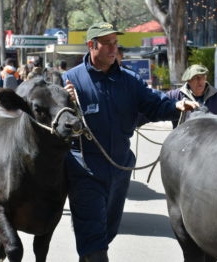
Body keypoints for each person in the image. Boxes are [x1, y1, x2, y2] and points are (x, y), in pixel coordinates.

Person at [63, 21, 199, 262]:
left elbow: (154, 103)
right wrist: (67, 102)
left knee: (107, 232)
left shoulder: (130, 80)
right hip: (85, 169)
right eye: (106, 44)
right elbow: (57, 124)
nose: (113, 48)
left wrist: (176, 106)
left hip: (120, 168)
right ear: (91, 46)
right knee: (92, 235)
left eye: (115, 43)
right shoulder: (71, 81)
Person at [166, 64, 217, 128]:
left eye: (203, 77)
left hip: (212, 137)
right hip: (184, 136)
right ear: (188, 80)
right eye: (196, 78)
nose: (200, 81)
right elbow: (160, 107)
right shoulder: (174, 95)